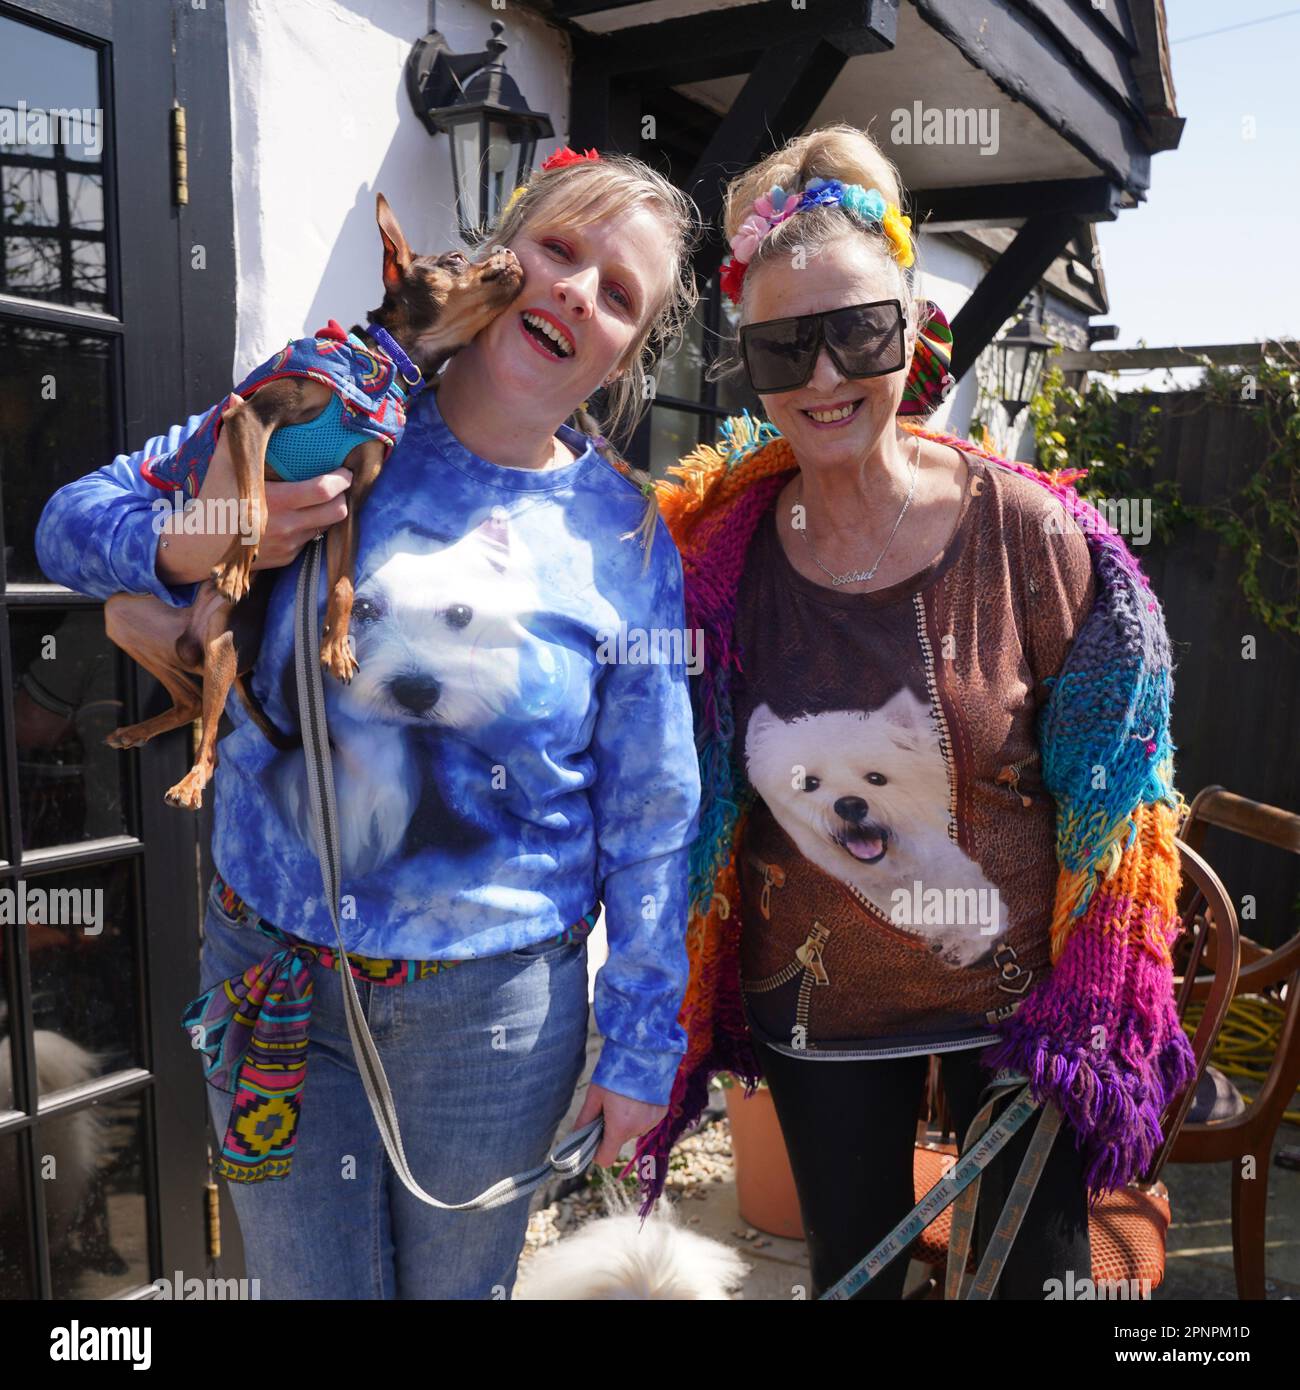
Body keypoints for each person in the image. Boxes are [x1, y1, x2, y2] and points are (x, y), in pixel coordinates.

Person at [34, 148, 705, 1299]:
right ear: (502, 252)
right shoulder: (329, 411)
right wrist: (202, 535)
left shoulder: (627, 538)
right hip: (270, 980)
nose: (575, 291)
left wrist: (643, 1046)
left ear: (625, 356)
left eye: (618, 293)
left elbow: (652, 813)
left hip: (489, 1025)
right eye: (557, 249)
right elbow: (70, 519)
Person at [633, 124, 1195, 1300]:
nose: (825, 377)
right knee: (854, 1277)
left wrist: (1086, 1005)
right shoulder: (708, 557)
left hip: (1019, 1015)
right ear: (747, 359)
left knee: (1026, 1281)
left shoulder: (1030, 535)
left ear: (911, 329)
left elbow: (1121, 790)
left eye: (857, 331)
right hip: (817, 1004)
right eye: (784, 348)